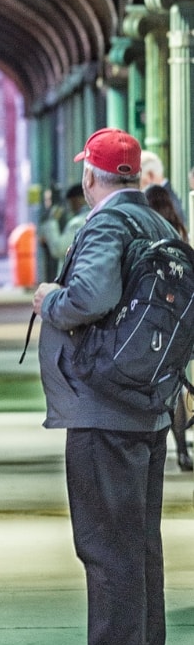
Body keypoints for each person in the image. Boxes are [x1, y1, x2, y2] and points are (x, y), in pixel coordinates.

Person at [33, 128, 172, 645]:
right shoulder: (156, 222)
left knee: (105, 549)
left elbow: (88, 297)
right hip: (146, 405)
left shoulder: (107, 223)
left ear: (91, 175)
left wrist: (48, 299)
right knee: (138, 548)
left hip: (102, 407)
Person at [143, 183, 193, 472]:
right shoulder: (179, 235)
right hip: (179, 322)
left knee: (155, 385)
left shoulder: (146, 235)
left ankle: (155, 444)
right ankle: (183, 451)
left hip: (153, 321)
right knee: (176, 384)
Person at [56, 182, 88, 256]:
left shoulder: (77, 222)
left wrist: (52, 221)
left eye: (71, 202)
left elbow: (59, 249)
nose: (70, 206)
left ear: (78, 199)